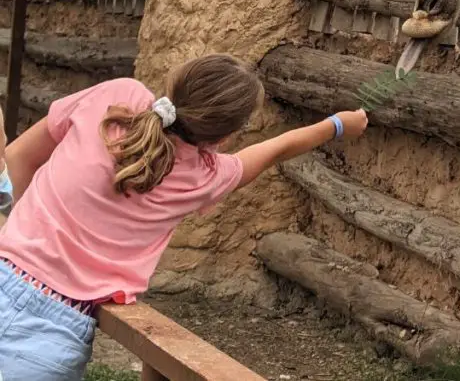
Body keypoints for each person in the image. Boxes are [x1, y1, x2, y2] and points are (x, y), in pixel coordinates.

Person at [0, 53, 368, 380]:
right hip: (53, 334)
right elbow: (275, 149)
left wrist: (26, 236)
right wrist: (336, 124)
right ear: (225, 137)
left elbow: (18, 156)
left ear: (175, 82)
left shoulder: (116, 97)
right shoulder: (205, 177)